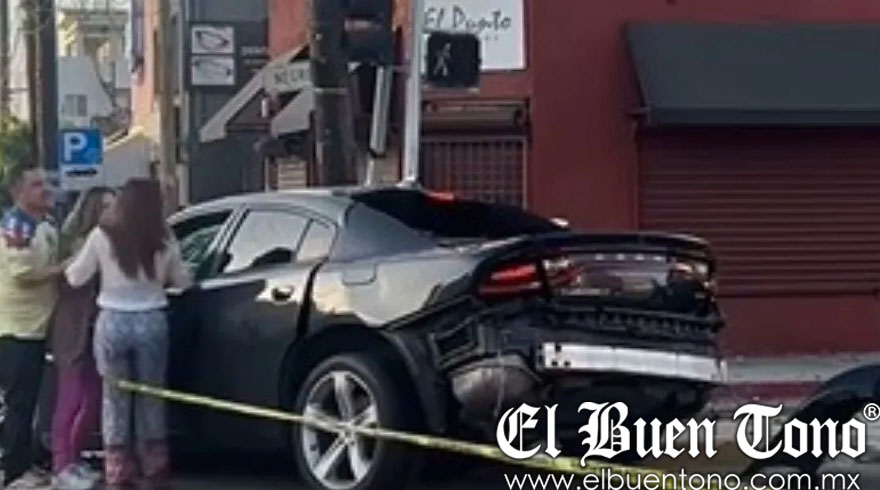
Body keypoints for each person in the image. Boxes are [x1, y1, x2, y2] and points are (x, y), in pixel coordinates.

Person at [65, 179, 190, 490]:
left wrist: (72, 263)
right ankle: (154, 464)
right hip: (151, 320)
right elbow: (181, 280)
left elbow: (76, 277)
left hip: (112, 321)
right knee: (151, 393)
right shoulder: (163, 237)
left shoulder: (102, 235)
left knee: (114, 397)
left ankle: (118, 468)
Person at [50, 187, 116, 490]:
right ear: (93, 211)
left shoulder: (113, 241)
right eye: (106, 206)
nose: (113, 212)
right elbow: (70, 282)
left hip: (97, 328)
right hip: (73, 327)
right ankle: (60, 465)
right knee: (71, 397)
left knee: (93, 398)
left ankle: (74, 458)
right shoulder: (78, 244)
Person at [0, 165, 61, 489]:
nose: (46, 188)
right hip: (16, 329)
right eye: (37, 184)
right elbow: (22, 271)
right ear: (18, 192)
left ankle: (25, 462)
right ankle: (13, 471)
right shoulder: (17, 225)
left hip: (36, 327)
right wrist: (63, 269)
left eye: (46, 182)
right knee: (19, 403)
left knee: (30, 400)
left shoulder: (45, 224)